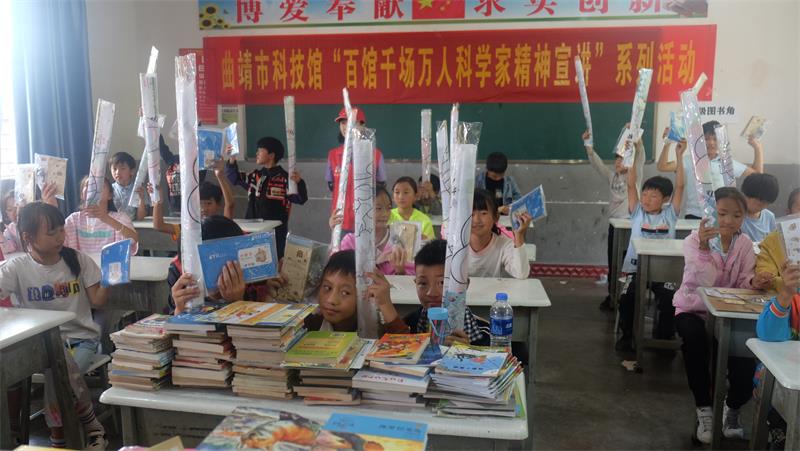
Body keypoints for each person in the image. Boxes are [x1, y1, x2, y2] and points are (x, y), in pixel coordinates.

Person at [0, 202, 108, 450]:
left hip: (80, 340)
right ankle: (91, 425)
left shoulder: (77, 260)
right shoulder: (17, 267)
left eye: (61, 230)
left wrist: (111, 279)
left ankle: (58, 438)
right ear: (28, 237)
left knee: (57, 370)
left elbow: (98, 301)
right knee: (52, 364)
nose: (60, 237)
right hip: (38, 346)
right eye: (52, 233)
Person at [671, 188, 773, 444]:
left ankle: (732, 408)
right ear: (710, 213)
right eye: (722, 213)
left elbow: (744, 279)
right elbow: (701, 282)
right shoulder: (693, 240)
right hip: (694, 308)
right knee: (694, 342)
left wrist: (755, 281)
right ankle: (704, 409)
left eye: (737, 215)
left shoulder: (745, 244)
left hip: (730, 312)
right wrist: (704, 248)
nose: (728, 220)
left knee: (745, 363)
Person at [617, 138, 684, 351]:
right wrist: (633, 155)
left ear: (665, 199)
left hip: (664, 272)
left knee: (670, 299)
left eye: (653, 196)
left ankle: (663, 336)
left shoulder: (670, 214)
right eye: (644, 194)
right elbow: (631, 184)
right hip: (635, 269)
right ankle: (627, 335)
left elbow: (680, 186)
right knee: (627, 298)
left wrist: (679, 156)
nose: (646, 199)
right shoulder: (637, 212)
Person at [583, 128, 646, 310]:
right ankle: (612, 296)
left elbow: (640, 156)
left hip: (631, 225)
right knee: (613, 261)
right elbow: (598, 165)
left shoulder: (635, 175)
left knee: (630, 263)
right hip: (615, 225)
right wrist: (588, 146)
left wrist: (635, 135)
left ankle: (628, 297)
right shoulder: (612, 177)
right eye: (617, 158)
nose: (618, 162)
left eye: (623, 158)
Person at [169, 215, 285, 314]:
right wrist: (179, 311)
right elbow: (174, 327)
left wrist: (237, 302)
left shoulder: (256, 278)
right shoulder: (180, 280)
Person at [657, 120, 764, 219]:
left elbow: (757, 175)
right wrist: (667, 143)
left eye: (715, 139)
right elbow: (662, 166)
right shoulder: (690, 160)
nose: (711, 143)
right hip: (694, 214)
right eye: (706, 139)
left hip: (720, 215)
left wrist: (758, 148)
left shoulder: (727, 161)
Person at [226, 136, 307, 259]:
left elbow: (300, 199)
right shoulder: (255, 176)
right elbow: (234, 177)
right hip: (251, 233)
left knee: (273, 265)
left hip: (275, 235)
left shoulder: (285, 179)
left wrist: (299, 182)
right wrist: (232, 158)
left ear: (271, 155)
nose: (256, 153)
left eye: (260, 150)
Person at [403, 239, 490, 346]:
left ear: (464, 285)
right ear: (415, 283)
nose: (431, 293)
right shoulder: (409, 325)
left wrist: (469, 352)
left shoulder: (487, 335)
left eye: (442, 283)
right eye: (423, 283)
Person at [302, 249, 408, 333]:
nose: (331, 300)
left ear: (365, 294)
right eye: (327, 288)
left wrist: (386, 304)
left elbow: (403, 346)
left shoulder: (373, 329)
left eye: (345, 292)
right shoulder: (310, 325)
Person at [754, 260, 799, 450]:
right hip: (783, 387)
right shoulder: (792, 300)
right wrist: (787, 293)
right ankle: (780, 434)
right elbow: (768, 334)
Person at [326, 106, 387, 232]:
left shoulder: (376, 155)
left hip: (367, 223)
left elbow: (381, 190)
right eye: (343, 123)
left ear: (362, 125)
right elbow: (332, 187)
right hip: (341, 223)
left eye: (350, 122)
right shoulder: (333, 155)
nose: (346, 126)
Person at [333, 186, 414, 276]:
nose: (385, 214)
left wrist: (401, 271)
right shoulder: (350, 242)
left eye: (388, 208)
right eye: (378, 208)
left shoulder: (401, 240)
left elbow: (414, 276)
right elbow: (340, 273)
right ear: (363, 210)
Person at [64, 176, 139, 255]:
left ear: (110, 195)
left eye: (100, 184)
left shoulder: (120, 218)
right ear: (82, 195)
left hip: (111, 262)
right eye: (88, 185)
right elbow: (59, 240)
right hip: (83, 263)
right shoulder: (74, 219)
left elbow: (134, 240)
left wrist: (106, 218)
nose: (93, 188)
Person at [468, 189, 530, 279]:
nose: (476, 220)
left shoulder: (504, 244)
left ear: (496, 217)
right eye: (471, 214)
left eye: (483, 213)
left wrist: (519, 235)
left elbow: (521, 274)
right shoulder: (455, 245)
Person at [756, 188, 800, 294]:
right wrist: (767, 279)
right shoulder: (772, 241)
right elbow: (766, 276)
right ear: (788, 213)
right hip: (783, 300)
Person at [740, 173, 779, 244]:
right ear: (745, 195)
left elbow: (774, 241)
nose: (763, 207)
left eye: (767, 204)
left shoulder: (769, 216)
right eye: (759, 204)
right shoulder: (736, 216)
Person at [109, 151, 147, 221]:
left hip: (134, 225)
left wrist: (141, 199)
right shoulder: (109, 189)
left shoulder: (138, 189)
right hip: (114, 225)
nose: (117, 172)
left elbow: (141, 217)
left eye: (122, 168)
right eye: (114, 169)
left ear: (132, 171)